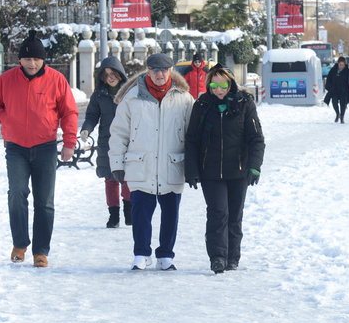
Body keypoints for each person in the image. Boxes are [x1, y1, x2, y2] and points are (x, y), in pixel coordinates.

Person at [0, 30, 78, 268]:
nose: (32, 63)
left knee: (44, 201)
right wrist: (5, 118)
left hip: (45, 146)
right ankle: (19, 244)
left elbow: (69, 112)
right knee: (17, 194)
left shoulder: (57, 80)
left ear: (43, 59)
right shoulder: (6, 80)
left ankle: (41, 251)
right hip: (16, 147)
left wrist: (69, 143)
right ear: (20, 60)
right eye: (27, 59)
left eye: (36, 59)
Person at [109, 53, 193, 271]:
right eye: (155, 69)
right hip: (140, 164)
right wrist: (117, 163)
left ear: (171, 70)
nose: (159, 74)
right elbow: (119, 132)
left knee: (171, 213)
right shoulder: (132, 97)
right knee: (141, 213)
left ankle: (166, 254)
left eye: (164, 69)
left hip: (172, 164)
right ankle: (141, 253)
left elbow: (192, 134)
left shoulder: (184, 98)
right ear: (148, 70)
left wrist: (194, 166)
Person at [185, 64, 265, 274]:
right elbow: (192, 140)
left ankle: (232, 257)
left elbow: (256, 138)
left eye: (223, 85)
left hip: (238, 171)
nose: (219, 90)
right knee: (218, 213)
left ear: (231, 84)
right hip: (210, 172)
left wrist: (254, 166)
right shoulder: (202, 105)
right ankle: (218, 257)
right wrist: (191, 169)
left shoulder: (244, 103)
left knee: (234, 216)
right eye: (214, 85)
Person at [79, 56, 131, 228]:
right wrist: (86, 129)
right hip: (107, 142)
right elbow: (92, 115)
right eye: (106, 74)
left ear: (120, 73)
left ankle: (129, 211)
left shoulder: (130, 92)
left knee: (128, 177)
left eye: (113, 73)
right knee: (110, 178)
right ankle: (113, 215)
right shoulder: (99, 95)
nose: (110, 77)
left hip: (128, 141)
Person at [324, 56, 349, 123]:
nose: (341, 66)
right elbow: (329, 79)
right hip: (335, 90)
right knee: (334, 102)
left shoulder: (348, 71)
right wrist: (329, 87)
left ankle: (342, 116)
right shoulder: (333, 70)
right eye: (340, 65)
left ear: (345, 64)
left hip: (344, 90)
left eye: (342, 65)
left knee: (343, 103)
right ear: (338, 64)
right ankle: (337, 114)